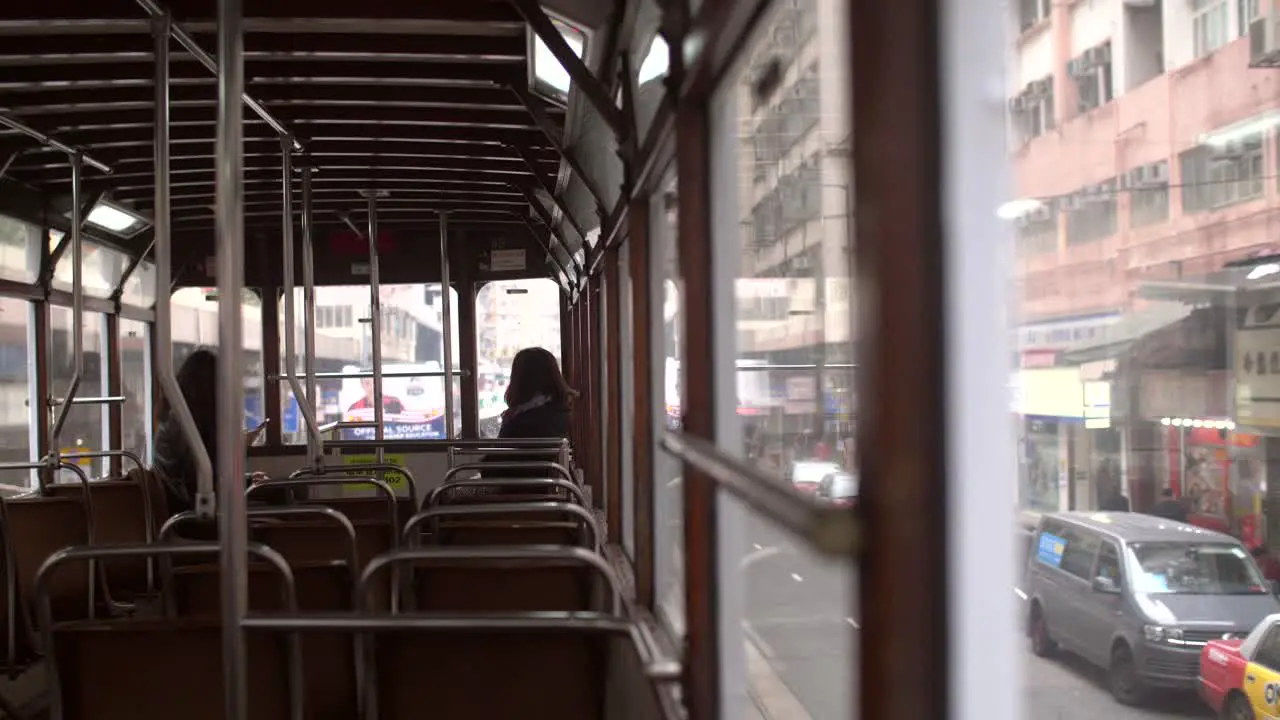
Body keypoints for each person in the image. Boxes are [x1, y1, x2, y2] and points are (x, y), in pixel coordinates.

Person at [152, 348, 277, 516]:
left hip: (188, 510)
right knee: (280, 495)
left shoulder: (178, 420)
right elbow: (201, 485)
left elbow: (208, 477)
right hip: (192, 518)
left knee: (276, 491)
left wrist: (247, 481)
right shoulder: (184, 429)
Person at [478, 348, 577, 484]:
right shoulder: (565, 413)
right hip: (557, 492)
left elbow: (490, 471)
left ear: (520, 380)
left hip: (520, 495)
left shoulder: (518, 421)